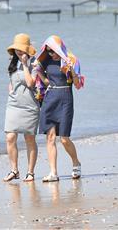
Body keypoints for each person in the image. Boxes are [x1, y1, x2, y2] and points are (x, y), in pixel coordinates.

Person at [36, 35, 82, 182]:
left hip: (65, 98)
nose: (51, 54)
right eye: (48, 51)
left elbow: (77, 84)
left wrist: (72, 71)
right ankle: (53, 173)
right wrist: (38, 74)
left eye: (53, 51)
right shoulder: (45, 61)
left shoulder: (71, 60)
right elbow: (46, 81)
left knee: (64, 138)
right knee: (50, 138)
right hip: (50, 99)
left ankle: (76, 162)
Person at [3, 33, 40, 182]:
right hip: (13, 104)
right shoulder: (12, 63)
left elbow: (31, 83)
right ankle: (14, 170)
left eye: (21, 49)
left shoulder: (35, 63)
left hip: (30, 105)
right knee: (10, 137)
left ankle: (30, 172)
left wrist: (25, 64)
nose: (18, 51)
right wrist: (11, 89)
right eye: (16, 49)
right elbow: (11, 80)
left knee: (29, 138)